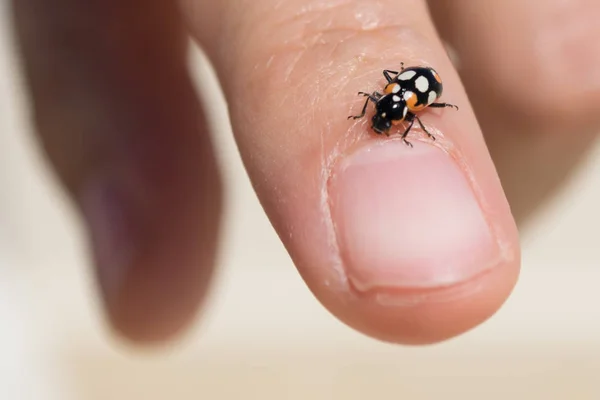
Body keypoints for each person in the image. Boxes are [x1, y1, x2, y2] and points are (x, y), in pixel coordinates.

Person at [10, 0, 599, 345]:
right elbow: (395, 94)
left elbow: (409, 95)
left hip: (424, 86)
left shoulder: (399, 102)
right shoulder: (390, 102)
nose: (387, 115)